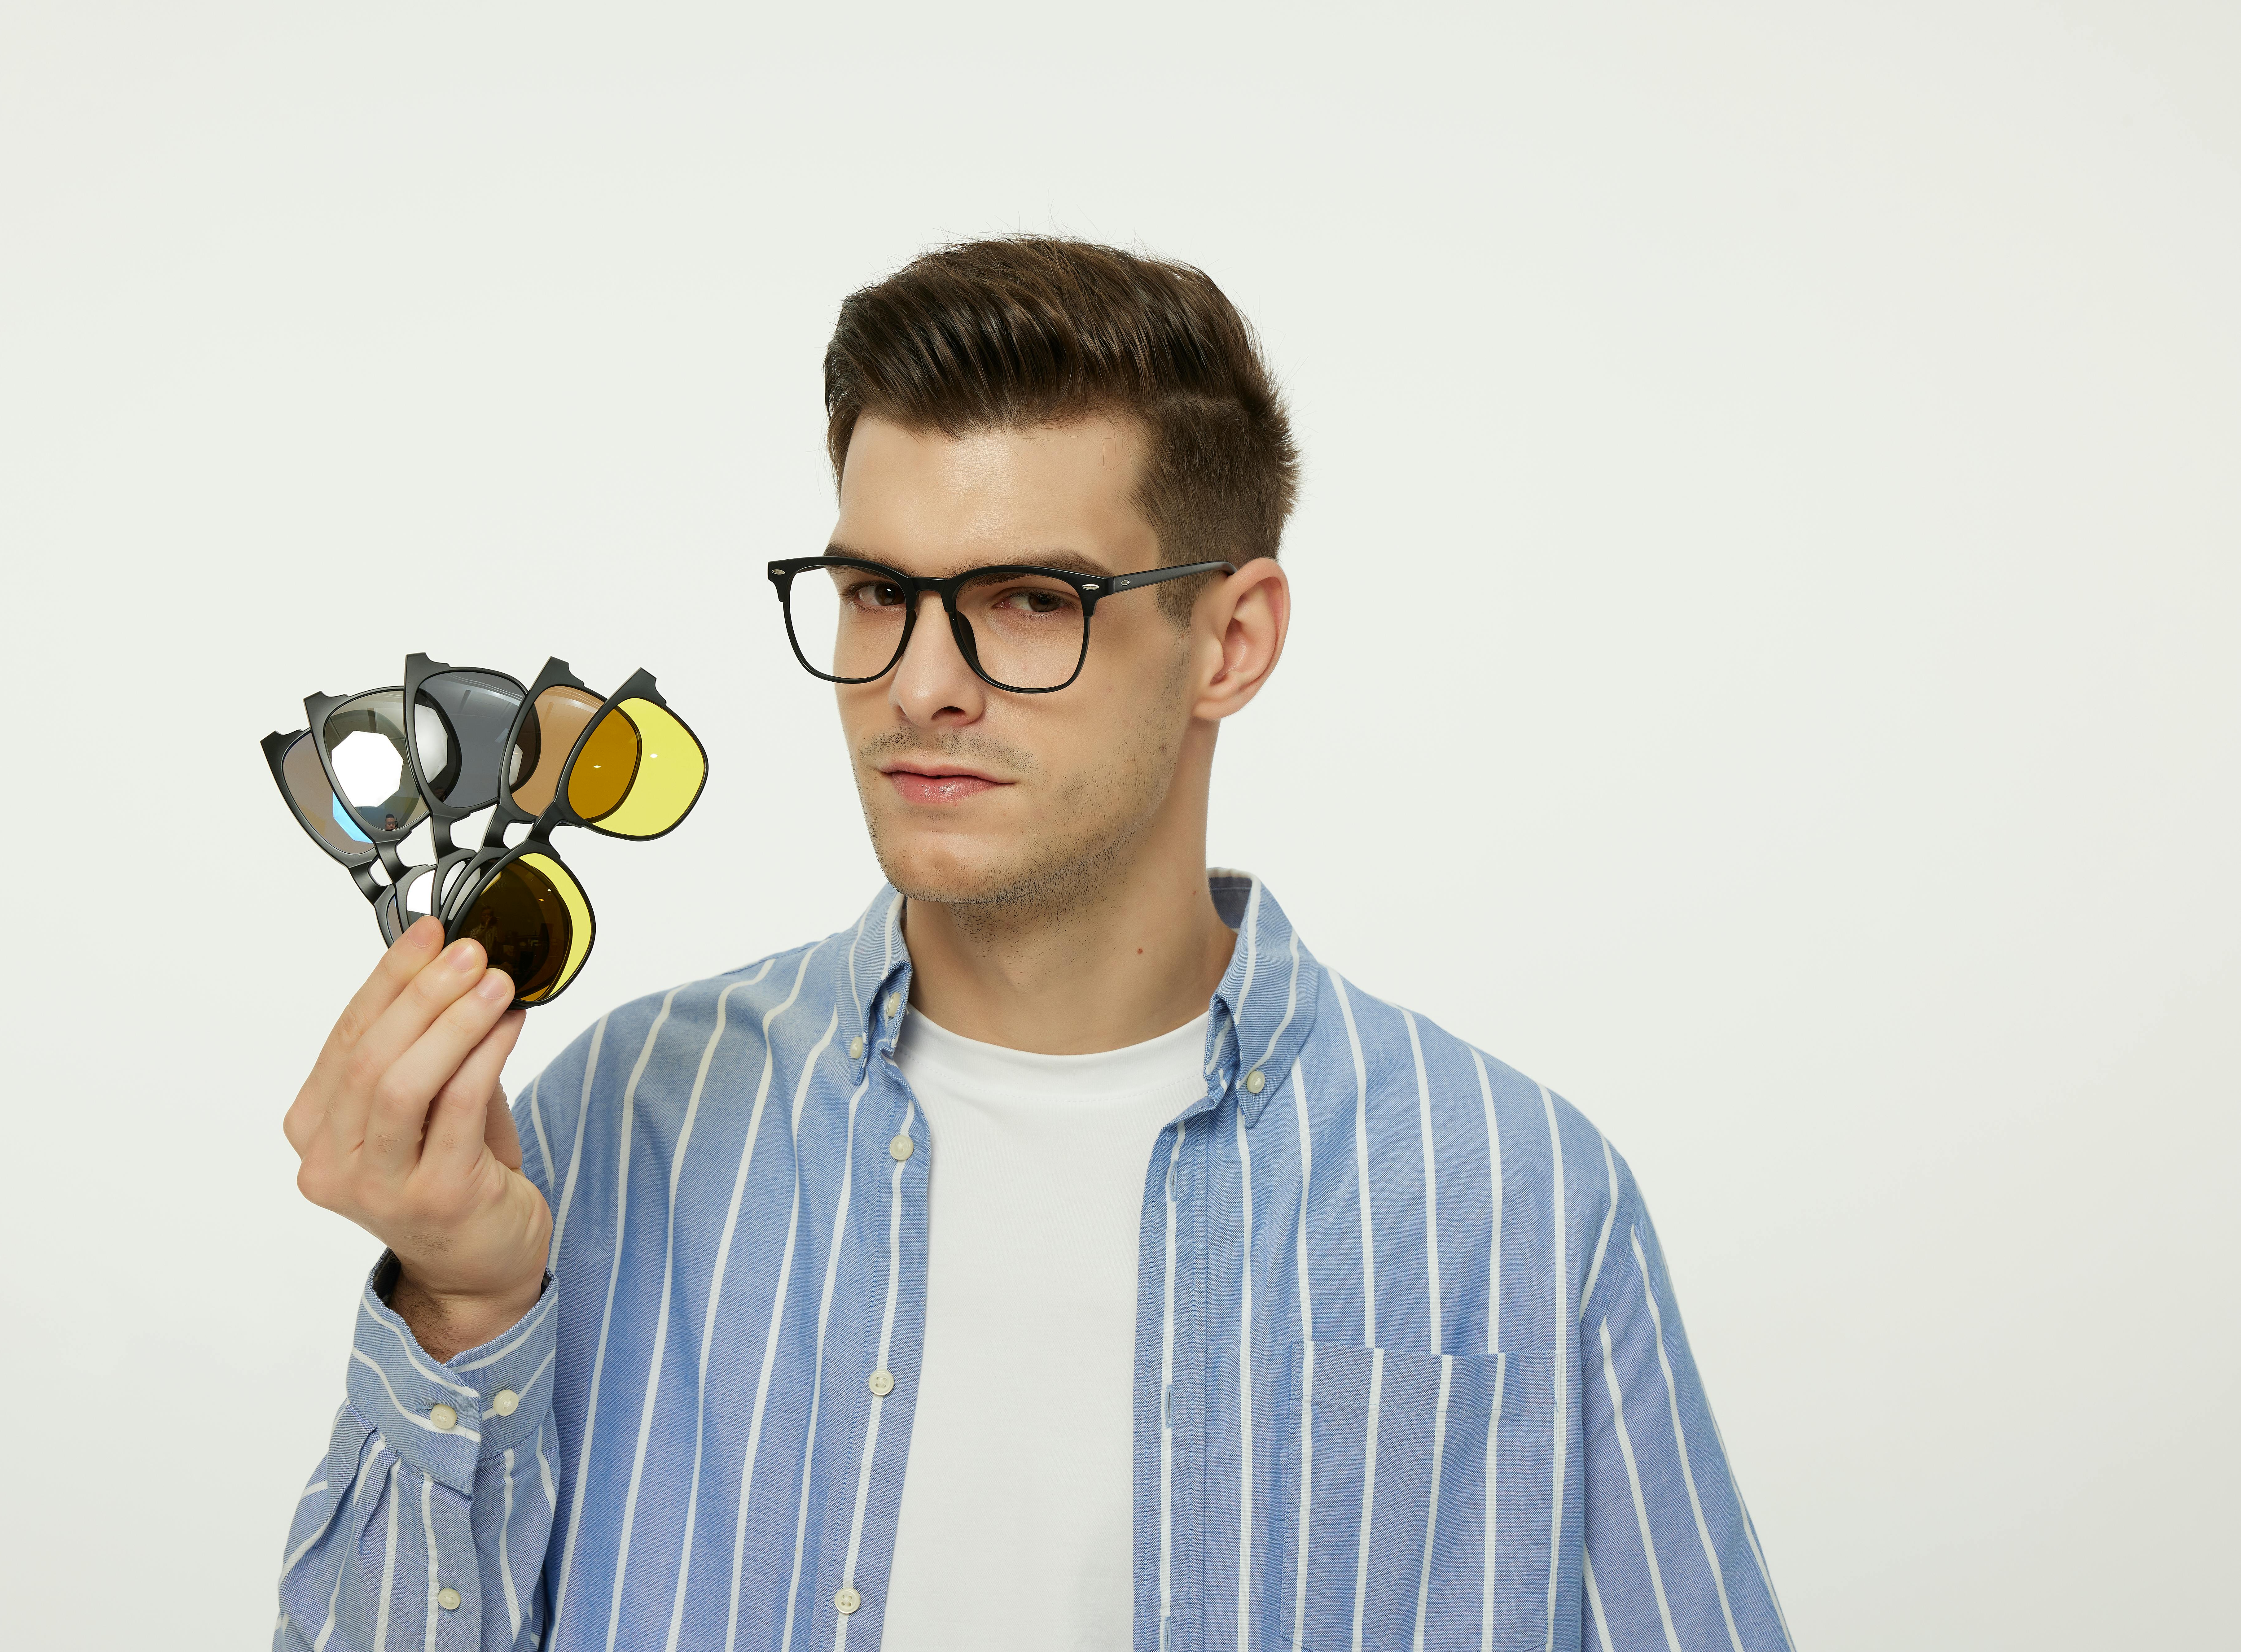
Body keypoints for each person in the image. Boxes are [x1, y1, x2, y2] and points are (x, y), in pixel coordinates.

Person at [274, 236, 1794, 1652]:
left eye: (1024, 600)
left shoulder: (1516, 1195)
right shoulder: (617, 1126)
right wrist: (462, 1305)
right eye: (877, 592)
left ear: (1231, 641)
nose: (918, 683)